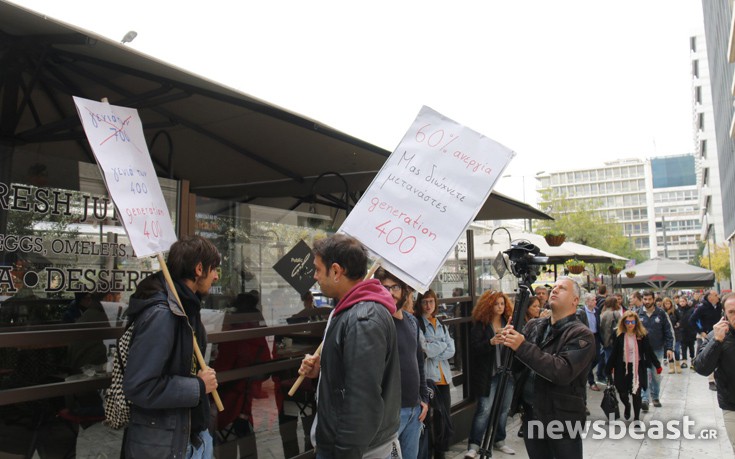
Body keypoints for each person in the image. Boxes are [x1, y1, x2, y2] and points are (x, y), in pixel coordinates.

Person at [298, 234, 400, 459]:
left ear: (336, 271)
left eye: (317, 269)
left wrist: (343, 453)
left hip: (359, 450)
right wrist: (323, 369)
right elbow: (351, 378)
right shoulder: (351, 312)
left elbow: (362, 401)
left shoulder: (363, 319)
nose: (315, 276)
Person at [123, 235, 220, 459]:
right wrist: (197, 386)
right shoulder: (162, 314)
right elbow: (140, 386)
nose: (215, 276)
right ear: (199, 269)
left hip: (192, 438)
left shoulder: (186, 307)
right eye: (213, 269)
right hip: (166, 445)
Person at [502, 277, 596, 459]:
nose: (554, 290)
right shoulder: (534, 325)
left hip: (562, 419)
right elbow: (517, 367)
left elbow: (561, 371)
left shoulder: (581, 334)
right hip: (532, 413)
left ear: (575, 300)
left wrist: (521, 346)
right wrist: (509, 344)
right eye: (554, 287)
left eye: (562, 288)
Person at [374, 267, 429, 459]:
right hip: (390, 416)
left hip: (415, 411)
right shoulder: (377, 323)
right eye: (384, 287)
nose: (390, 293)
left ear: (405, 290)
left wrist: (424, 398)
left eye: (395, 287)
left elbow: (419, 362)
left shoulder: (412, 321)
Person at [464, 290, 516, 458]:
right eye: (496, 304)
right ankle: (474, 445)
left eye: (502, 303)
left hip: (507, 373)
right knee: (484, 409)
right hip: (489, 374)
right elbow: (474, 348)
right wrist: (491, 342)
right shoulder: (482, 325)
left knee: (504, 409)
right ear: (488, 305)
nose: (500, 307)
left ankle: (499, 440)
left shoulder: (508, 322)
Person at [692, 292, 735, 451]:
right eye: (731, 312)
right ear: (724, 314)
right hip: (732, 405)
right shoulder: (716, 336)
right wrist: (716, 341)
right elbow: (701, 368)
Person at [416, 289, 455, 459]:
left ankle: (440, 453)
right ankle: (427, 453)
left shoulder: (441, 324)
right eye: (425, 301)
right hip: (428, 379)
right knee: (426, 420)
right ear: (420, 303)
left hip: (444, 378)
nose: (428, 305)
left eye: (431, 301)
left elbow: (452, 349)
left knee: (443, 418)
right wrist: (440, 346)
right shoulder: (418, 323)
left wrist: (435, 347)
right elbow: (425, 349)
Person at [605, 311, 662, 423]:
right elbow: (614, 352)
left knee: (636, 393)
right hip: (621, 367)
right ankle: (627, 405)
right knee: (622, 392)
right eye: (628, 322)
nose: (630, 324)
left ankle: (636, 418)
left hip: (637, 368)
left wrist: (657, 365)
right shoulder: (618, 334)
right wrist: (609, 367)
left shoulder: (642, 334)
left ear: (636, 322)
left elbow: (648, 350)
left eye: (632, 322)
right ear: (624, 322)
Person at [637, 290, 674, 411]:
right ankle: (644, 399)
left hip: (657, 349)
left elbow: (669, 331)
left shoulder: (661, 313)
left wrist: (669, 348)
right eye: (645, 299)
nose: (647, 301)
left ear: (653, 299)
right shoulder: (637, 313)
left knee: (656, 374)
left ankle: (655, 397)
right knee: (644, 374)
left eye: (649, 299)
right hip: (641, 350)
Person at [689, 289, 722, 390]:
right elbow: (692, 320)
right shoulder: (702, 307)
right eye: (716, 295)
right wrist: (701, 331)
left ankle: (719, 378)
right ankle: (711, 381)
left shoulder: (719, 306)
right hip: (707, 335)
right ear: (710, 297)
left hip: (719, 333)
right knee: (710, 355)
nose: (718, 297)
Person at [576, 293, 602, 391]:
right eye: (593, 300)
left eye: (595, 300)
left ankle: (586, 370)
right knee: (589, 358)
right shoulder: (581, 311)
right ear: (587, 301)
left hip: (596, 336)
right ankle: (591, 381)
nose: (595, 302)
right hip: (586, 337)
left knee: (598, 357)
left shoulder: (597, 311)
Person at [598, 296, 622, 383]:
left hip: (605, 342)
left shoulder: (602, 314)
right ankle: (613, 379)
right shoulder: (616, 313)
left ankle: (606, 378)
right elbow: (620, 328)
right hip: (614, 342)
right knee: (615, 361)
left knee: (606, 359)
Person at [662, 297, 682, 374]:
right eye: (666, 304)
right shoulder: (662, 312)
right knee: (669, 351)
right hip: (667, 335)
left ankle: (677, 365)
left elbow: (680, 319)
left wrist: (678, 323)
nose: (667, 305)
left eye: (668, 303)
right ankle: (671, 366)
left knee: (676, 350)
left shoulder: (675, 311)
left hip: (676, 333)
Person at [677, 295, 697, 369]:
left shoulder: (691, 310)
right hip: (682, 331)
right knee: (683, 347)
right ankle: (684, 361)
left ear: (686, 302)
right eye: (680, 301)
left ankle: (692, 359)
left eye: (683, 301)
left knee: (691, 346)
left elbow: (695, 319)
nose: (681, 303)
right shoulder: (678, 310)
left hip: (691, 331)